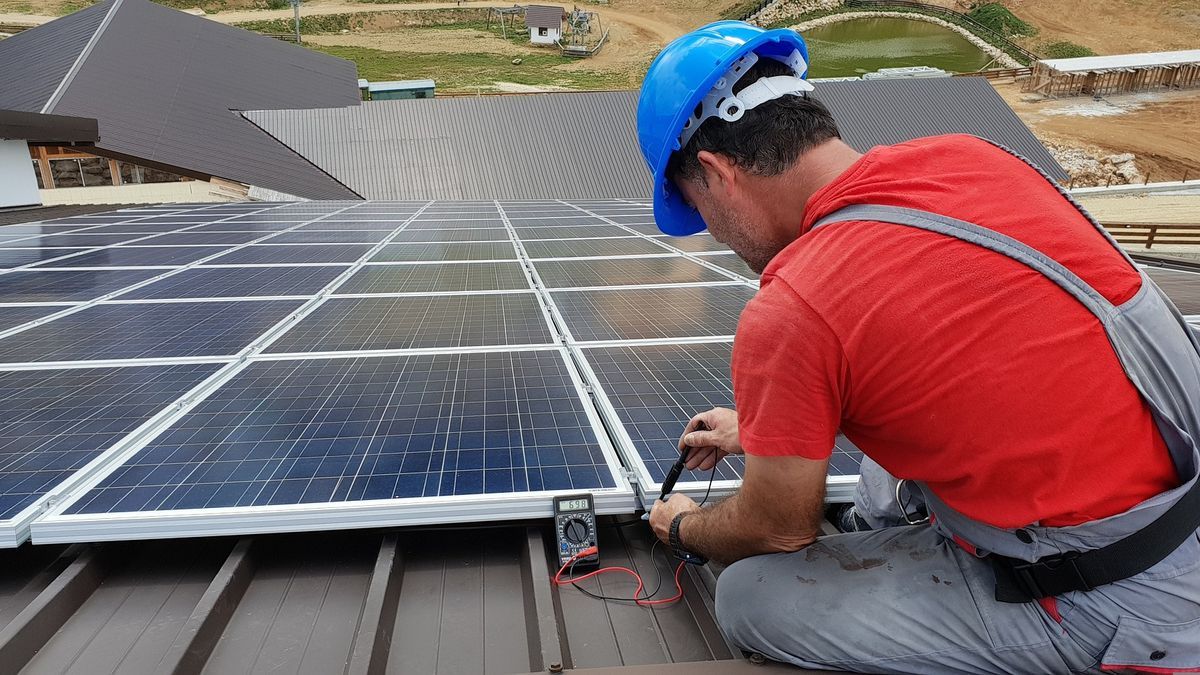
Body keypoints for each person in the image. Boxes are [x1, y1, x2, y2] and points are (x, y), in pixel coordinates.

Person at [639, 21, 1200, 674]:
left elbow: (776, 530)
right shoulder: (975, 158)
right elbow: (935, 353)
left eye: (697, 209)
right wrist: (760, 427)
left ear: (715, 172)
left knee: (747, 595)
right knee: (882, 475)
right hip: (1175, 496)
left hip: (1125, 600)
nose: (711, 233)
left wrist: (681, 525)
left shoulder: (793, 304)